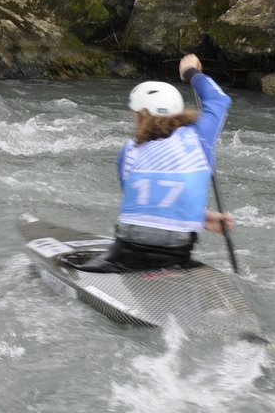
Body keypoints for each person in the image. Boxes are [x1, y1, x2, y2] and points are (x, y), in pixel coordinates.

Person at [76, 55, 233, 273]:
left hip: (127, 249)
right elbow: (219, 99)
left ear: (141, 116)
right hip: (177, 250)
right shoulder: (199, 136)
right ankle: (170, 268)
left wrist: (202, 216)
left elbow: (145, 202)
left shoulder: (130, 150)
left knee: (82, 267)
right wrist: (190, 72)